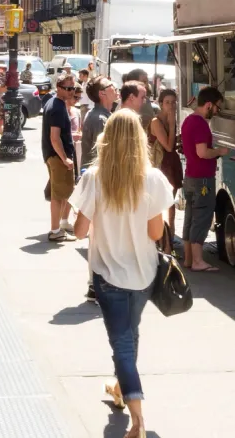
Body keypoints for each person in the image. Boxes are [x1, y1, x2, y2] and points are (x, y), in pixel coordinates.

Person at [68, 109, 174, 438]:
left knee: (122, 344)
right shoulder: (153, 178)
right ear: (140, 139)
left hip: (107, 273)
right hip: (144, 274)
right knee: (130, 334)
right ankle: (119, 387)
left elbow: (78, 232)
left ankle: (138, 418)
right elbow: (156, 234)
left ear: (107, 139)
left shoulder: (93, 177)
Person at [79, 75, 119, 302]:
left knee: (100, 236)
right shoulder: (100, 119)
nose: (115, 88)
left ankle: (97, 283)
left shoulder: (103, 116)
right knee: (99, 237)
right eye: (110, 86)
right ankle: (97, 284)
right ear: (102, 93)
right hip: (99, 183)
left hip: (97, 181)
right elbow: (105, 154)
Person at [181, 87, 228, 272]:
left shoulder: (188, 120)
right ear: (208, 104)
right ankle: (198, 261)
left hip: (191, 177)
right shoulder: (200, 124)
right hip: (203, 180)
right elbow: (202, 152)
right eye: (217, 107)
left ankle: (188, 259)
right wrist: (219, 152)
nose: (216, 112)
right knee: (201, 218)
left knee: (190, 217)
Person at [43, 73, 78, 242]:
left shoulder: (56, 103)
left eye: (73, 88)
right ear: (59, 88)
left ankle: (61, 225)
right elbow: (54, 137)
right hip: (57, 157)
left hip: (55, 156)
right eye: (68, 88)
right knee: (58, 195)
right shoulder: (57, 107)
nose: (71, 91)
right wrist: (64, 158)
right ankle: (55, 230)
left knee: (64, 193)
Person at [149, 89, 183, 251]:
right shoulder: (157, 121)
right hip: (161, 167)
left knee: (171, 205)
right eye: (167, 102)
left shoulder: (172, 119)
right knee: (162, 205)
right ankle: (163, 242)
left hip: (172, 165)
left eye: (174, 102)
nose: (171, 105)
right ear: (160, 103)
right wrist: (171, 123)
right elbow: (168, 146)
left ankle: (170, 239)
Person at [69, 83, 83, 179]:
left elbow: (80, 129)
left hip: (76, 152)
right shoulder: (60, 111)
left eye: (79, 98)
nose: (77, 101)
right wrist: (71, 135)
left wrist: (80, 134)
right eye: (75, 97)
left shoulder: (77, 112)